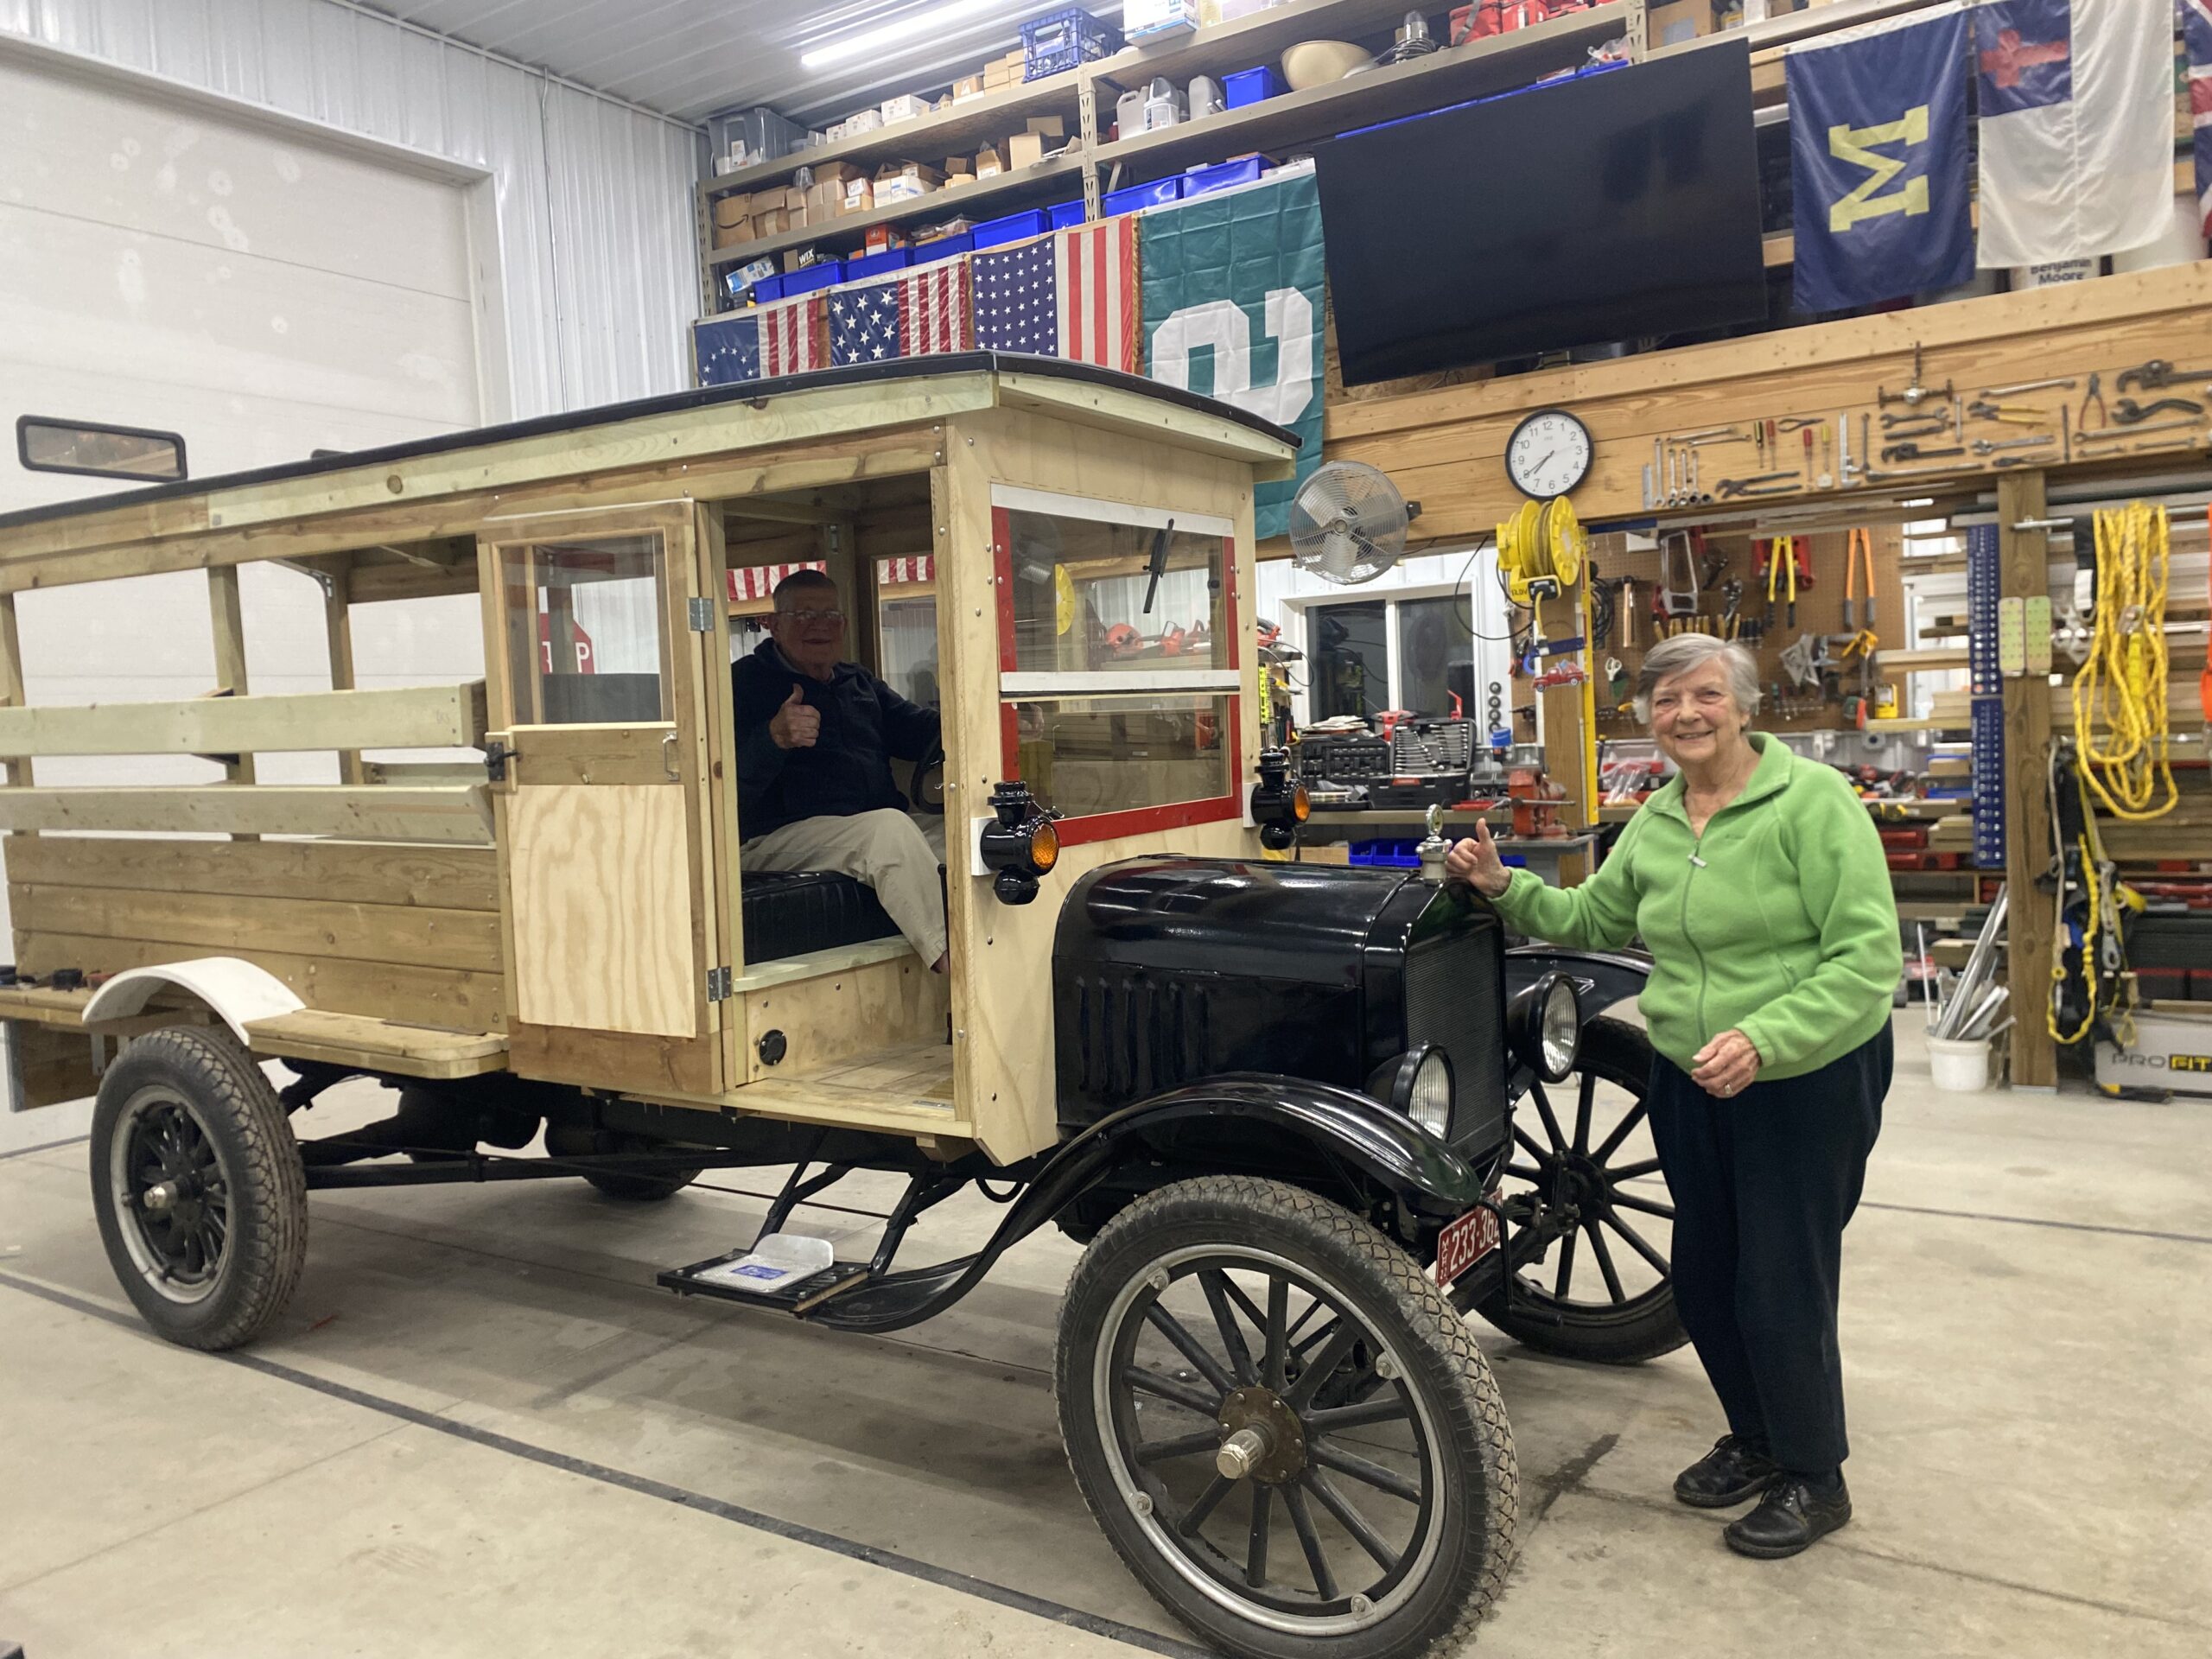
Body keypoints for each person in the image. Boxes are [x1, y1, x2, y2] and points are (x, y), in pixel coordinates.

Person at [1446, 632, 1899, 1560]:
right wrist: (1504, 887)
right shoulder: (1655, 820)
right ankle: (1757, 1437)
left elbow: (1866, 960)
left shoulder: (1812, 805)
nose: (1684, 715)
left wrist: (1767, 1035)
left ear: (1741, 704)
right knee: (1705, 1274)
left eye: (1702, 695)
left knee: (1781, 1280)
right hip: (1692, 1075)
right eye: (1663, 702)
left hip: (1804, 1075)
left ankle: (1815, 1477)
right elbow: (1592, 919)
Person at [733, 570, 948, 972]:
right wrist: (773, 738)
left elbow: (918, 731)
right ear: (775, 625)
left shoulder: (858, 681)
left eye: (830, 613)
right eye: (803, 614)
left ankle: (999, 949)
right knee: (888, 830)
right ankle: (959, 972)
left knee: (967, 832)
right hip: (772, 837)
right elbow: (721, 784)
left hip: (859, 829)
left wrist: (988, 719)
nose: (819, 625)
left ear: (844, 625)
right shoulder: (743, 683)